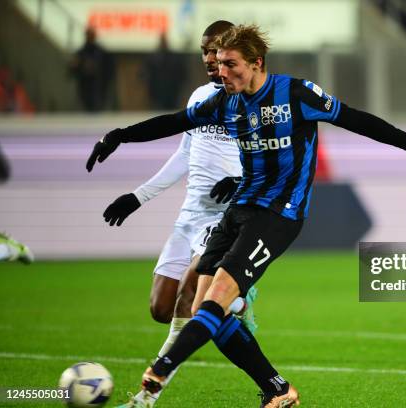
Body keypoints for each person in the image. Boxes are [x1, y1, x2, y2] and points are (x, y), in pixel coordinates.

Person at [87, 24, 406, 407]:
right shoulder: (224, 102)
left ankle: (158, 374)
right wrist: (119, 134)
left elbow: (358, 120)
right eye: (218, 64)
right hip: (240, 209)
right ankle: (279, 391)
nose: (223, 73)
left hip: (279, 214)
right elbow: (174, 122)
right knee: (204, 312)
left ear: (256, 63)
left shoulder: (296, 94)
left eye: (231, 65)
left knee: (212, 303)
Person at [104, 21, 258, 408]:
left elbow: (267, 157)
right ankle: (235, 302)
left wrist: (239, 181)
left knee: (189, 298)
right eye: (204, 51)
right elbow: (183, 156)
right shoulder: (202, 97)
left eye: (216, 50)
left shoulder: (251, 100)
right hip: (189, 215)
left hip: (222, 218)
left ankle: (146, 397)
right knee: (161, 308)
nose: (209, 58)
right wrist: (138, 197)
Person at [69, 27, 114, 112]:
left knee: (97, 107)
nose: (89, 37)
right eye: (88, 35)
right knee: (87, 107)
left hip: (98, 86)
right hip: (85, 85)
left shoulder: (101, 52)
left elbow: (108, 68)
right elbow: (73, 68)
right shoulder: (81, 52)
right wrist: (77, 66)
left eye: (91, 35)